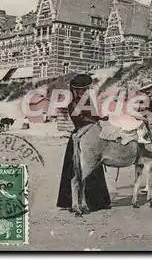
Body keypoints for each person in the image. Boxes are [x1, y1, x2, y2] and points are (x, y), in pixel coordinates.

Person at [56, 73, 112, 210]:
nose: (83, 92)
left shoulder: (88, 102)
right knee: (75, 169)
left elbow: (93, 116)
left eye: (85, 89)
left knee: (94, 166)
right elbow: (80, 119)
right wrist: (97, 120)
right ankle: (72, 202)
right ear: (75, 90)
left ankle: (96, 201)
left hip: (92, 136)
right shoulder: (72, 104)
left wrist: (101, 118)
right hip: (80, 136)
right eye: (81, 90)